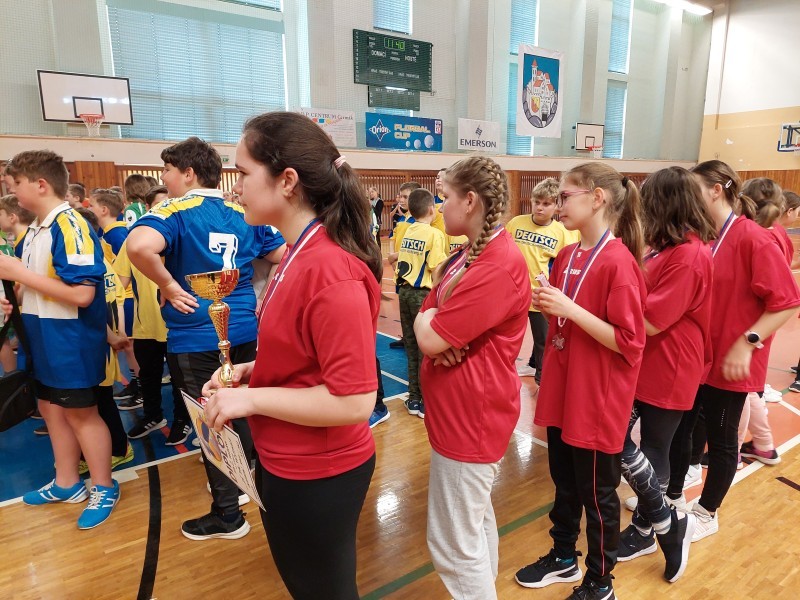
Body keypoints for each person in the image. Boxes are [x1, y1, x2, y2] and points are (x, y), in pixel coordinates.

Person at [201, 111, 381, 600]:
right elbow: (304, 356)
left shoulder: (330, 270)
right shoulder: (297, 254)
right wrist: (251, 372)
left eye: (242, 173)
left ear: (287, 181)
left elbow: (354, 401)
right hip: (285, 459)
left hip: (319, 471)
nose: (235, 187)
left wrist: (252, 400)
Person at [127, 136, 285, 541]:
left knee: (211, 421)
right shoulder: (244, 211)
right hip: (244, 327)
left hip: (196, 334)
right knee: (242, 409)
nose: (164, 179)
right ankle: (246, 483)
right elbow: (285, 254)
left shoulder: (175, 211)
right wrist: (264, 298)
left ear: (188, 173)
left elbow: (139, 246)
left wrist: (168, 285)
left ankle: (228, 514)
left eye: (167, 170)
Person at [515, 163, 647, 600]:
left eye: (566, 196)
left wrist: (570, 310)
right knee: (565, 482)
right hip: (563, 388)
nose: (558, 204)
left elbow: (629, 342)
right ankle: (563, 556)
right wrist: (551, 306)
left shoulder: (619, 262)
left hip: (596, 397)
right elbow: (565, 321)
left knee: (598, 493)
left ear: (597, 197)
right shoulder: (569, 254)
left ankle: (600, 581)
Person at [414, 156, 530, 600]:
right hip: (459, 413)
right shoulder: (470, 252)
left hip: (472, 418)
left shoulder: (496, 263)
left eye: (444, 197)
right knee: (473, 524)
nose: (439, 205)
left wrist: (431, 329)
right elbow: (429, 310)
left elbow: (429, 336)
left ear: (469, 200)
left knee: (453, 545)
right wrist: (431, 324)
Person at [667, 161, 800, 542]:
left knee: (723, 439)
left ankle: (707, 513)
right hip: (699, 357)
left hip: (732, 362)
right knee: (684, 430)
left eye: (694, 189)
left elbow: (787, 302)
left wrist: (748, 342)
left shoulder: (753, 238)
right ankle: (673, 497)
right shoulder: (703, 236)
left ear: (715, 190)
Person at [0, 150, 119, 529]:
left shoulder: (71, 225)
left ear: (40, 184)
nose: (12, 194)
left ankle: (104, 485)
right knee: (51, 410)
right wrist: (16, 297)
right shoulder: (35, 230)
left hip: (70, 341)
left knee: (82, 415)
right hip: (40, 337)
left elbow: (82, 294)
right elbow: (35, 282)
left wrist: (19, 274)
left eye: (15, 185)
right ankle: (67, 482)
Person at [614, 167, 717, 582]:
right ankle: (661, 523)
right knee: (620, 438)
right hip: (648, 360)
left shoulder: (690, 255)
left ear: (663, 203)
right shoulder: (665, 247)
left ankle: (647, 528)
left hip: (672, 363)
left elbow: (653, 320)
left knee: (654, 445)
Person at [114, 185, 181, 439]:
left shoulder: (181, 237)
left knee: (180, 380)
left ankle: (183, 420)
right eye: (160, 205)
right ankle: (153, 415)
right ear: (149, 209)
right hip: (146, 325)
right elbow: (118, 284)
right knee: (148, 376)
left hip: (178, 324)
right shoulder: (134, 241)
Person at [734, 177, 787, 464]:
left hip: (753, 326)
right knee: (746, 387)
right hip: (758, 325)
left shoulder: (760, 238)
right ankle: (761, 443)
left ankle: (742, 447)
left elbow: (784, 298)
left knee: (743, 388)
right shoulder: (775, 233)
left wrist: (750, 337)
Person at [505, 178, 578, 384]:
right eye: (536, 202)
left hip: (539, 295)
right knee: (509, 339)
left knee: (542, 341)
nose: (539, 207)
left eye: (546, 204)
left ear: (556, 207)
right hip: (512, 294)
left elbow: (565, 266)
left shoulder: (562, 233)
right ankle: (507, 375)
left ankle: (542, 380)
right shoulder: (516, 223)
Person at [394, 188, 447, 420]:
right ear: (432, 210)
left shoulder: (408, 230)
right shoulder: (435, 234)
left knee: (411, 346)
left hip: (404, 293)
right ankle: (427, 401)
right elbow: (436, 269)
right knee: (427, 348)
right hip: (422, 295)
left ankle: (414, 397)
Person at [87, 188, 141, 405]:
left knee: (129, 346)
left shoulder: (116, 234)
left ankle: (141, 388)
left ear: (103, 209)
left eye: (91, 205)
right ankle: (137, 385)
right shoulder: (107, 233)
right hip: (118, 297)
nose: (88, 208)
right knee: (127, 347)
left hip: (124, 298)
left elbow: (129, 266)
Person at [388, 182, 420, 349]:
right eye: (400, 196)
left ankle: (416, 340)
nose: (401, 200)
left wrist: (396, 256)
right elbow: (392, 238)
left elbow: (412, 248)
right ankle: (406, 337)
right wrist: (392, 258)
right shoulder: (402, 218)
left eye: (405, 197)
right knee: (403, 307)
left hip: (411, 270)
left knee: (415, 309)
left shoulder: (417, 222)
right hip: (400, 268)